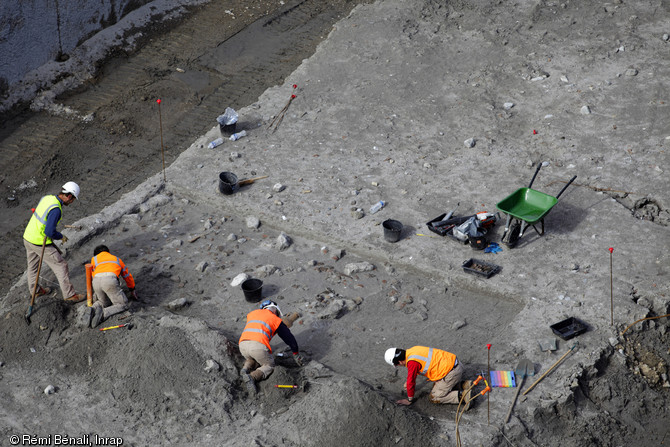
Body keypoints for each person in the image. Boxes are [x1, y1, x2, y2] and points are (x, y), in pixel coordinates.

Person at [23, 181, 85, 303]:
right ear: (69, 196)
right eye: (72, 200)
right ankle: (69, 295)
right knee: (61, 265)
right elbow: (49, 232)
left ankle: (35, 291)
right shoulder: (56, 209)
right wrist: (60, 236)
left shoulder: (47, 198)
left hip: (28, 237)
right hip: (39, 242)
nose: (71, 202)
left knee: (33, 267)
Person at [238, 299, 305, 393]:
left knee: (253, 358)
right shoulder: (275, 319)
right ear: (274, 309)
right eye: (277, 312)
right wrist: (295, 353)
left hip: (242, 345)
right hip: (258, 346)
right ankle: (252, 377)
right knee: (269, 365)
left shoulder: (252, 314)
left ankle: (245, 369)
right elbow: (289, 338)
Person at [384, 346, 472, 409]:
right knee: (438, 385)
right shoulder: (413, 350)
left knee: (434, 397)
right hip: (455, 363)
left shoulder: (412, 363)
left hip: (452, 372)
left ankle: (463, 395)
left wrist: (409, 400)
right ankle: (464, 384)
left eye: (397, 365)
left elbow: (411, 381)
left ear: (399, 361)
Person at [89, 245, 137, 328]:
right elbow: (127, 276)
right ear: (108, 252)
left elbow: (92, 274)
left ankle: (92, 309)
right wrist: (132, 289)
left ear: (96, 254)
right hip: (109, 280)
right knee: (123, 304)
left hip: (96, 281)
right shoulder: (117, 259)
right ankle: (104, 313)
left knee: (103, 302)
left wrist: (95, 295)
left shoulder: (94, 259)